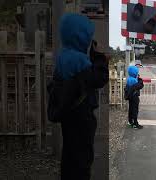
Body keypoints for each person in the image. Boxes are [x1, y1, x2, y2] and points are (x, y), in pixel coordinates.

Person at [52, 13, 108, 180]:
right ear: (81, 37)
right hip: (82, 119)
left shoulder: (64, 57)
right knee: (82, 160)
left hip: (68, 118)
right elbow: (100, 78)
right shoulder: (80, 62)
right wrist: (98, 55)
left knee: (69, 155)